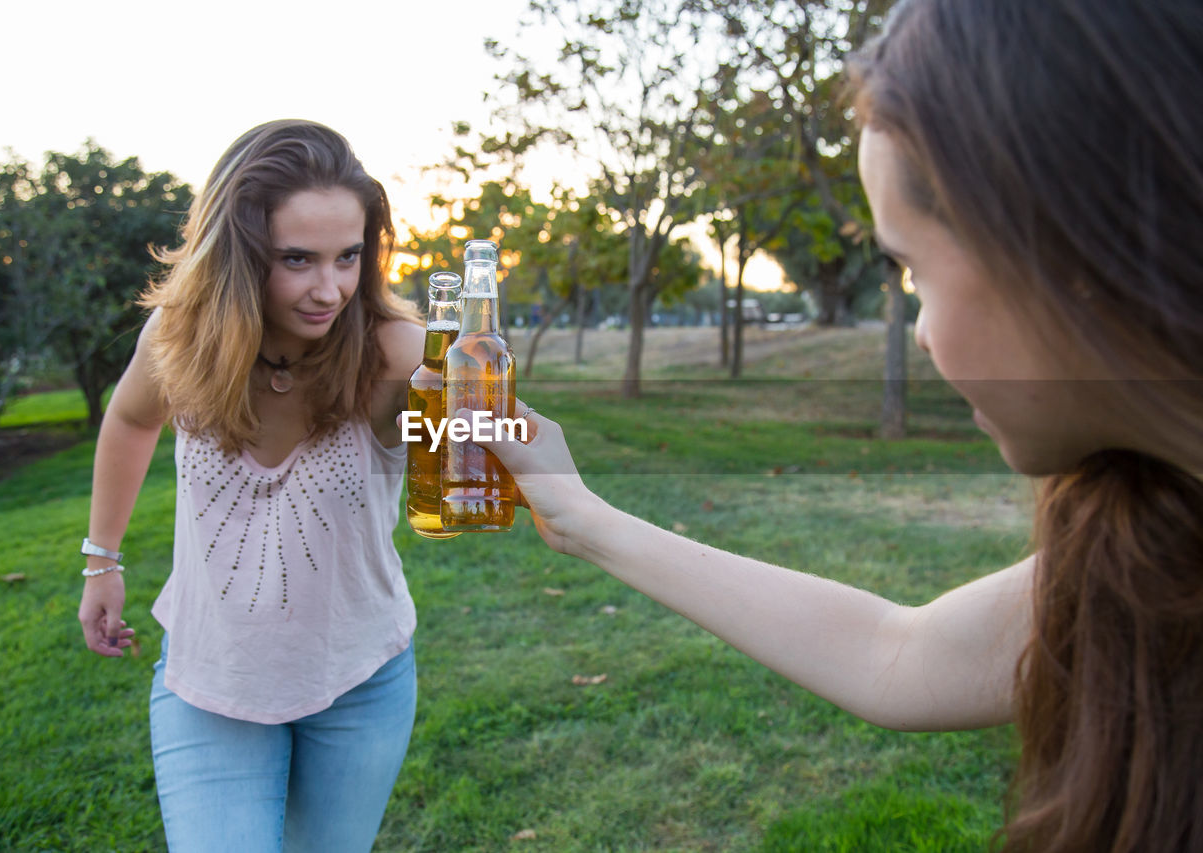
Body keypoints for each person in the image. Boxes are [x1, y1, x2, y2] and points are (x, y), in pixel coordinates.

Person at [471, 1, 1203, 850]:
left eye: (912, 268)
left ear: (1065, 246)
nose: (919, 326)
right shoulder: (1157, 534)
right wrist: (584, 518)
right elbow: (901, 655)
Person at [76, 119, 425, 852]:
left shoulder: (395, 352)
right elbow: (131, 421)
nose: (328, 288)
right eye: (296, 259)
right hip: (210, 681)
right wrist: (101, 557)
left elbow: (473, 442)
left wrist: (485, 422)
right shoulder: (180, 336)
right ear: (238, 254)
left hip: (359, 681)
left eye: (348, 256)